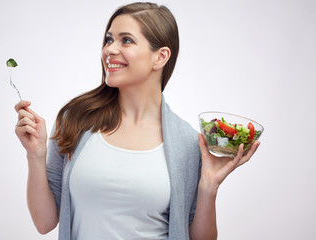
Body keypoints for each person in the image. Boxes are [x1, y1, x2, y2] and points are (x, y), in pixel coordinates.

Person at [14, 2, 260, 240]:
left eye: (126, 40)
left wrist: (208, 186)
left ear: (160, 57)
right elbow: (44, 223)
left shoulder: (187, 142)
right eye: (109, 39)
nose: (109, 49)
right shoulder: (76, 120)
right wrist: (35, 155)